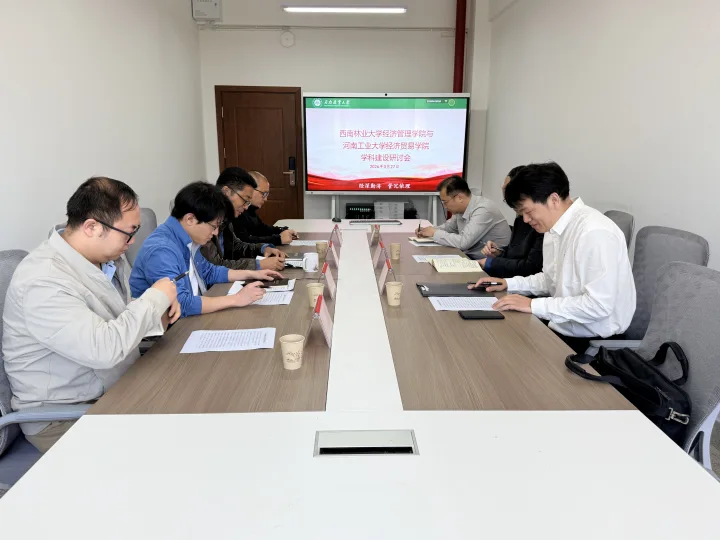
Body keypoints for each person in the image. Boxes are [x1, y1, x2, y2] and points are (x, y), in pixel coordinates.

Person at [3, 177, 180, 452]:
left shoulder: (106, 260)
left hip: (114, 389)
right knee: (171, 447)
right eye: (129, 233)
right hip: (64, 417)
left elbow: (119, 317)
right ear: (92, 227)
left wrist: (159, 313)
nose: (132, 242)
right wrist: (156, 298)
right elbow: (103, 349)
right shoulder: (42, 280)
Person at [472, 162, 636, 353]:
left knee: (504, 349)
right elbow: (551, 279)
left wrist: (533, 305)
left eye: (528, 211)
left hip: (593, 344)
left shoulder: (594, 232)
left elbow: (598, 306)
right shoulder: (553, 229)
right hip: (562, 326)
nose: (525, 220)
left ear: (554, 200)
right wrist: (509, 284)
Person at [130, 181, 283, 317]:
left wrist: (253, 273)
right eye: (214, 226)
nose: (216, 233)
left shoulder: (188, 238)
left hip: (192, 317)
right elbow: (182, 304)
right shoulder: (162, 250)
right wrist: (236, 299)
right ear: (190, 219)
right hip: (170, 331)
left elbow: (209, 272)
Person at [201, 167, 285, 272]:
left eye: (248, 202)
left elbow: (236, 247)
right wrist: (258, 265)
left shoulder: (226, 217)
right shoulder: (205, 219)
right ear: (226, 191)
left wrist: (263, 249)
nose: (246, 207)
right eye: (245, 200)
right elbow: (215, 267)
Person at [417, 175, 511, 259]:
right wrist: (427, 231)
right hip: (470, 257)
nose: (445, 207)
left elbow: (463, 242)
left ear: (459, 198)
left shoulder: (483, 209)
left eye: (445, 202)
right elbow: (449, 228)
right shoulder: (461, 210)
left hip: (490, 264)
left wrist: (435, 233)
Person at [479, 166, 544, 278]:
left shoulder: (541, 223)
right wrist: (499, 253)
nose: (526, 219)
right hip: (511, 279)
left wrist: (492, 263)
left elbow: (531, 267)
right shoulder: (520, 219)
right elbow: (514, 254)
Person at [231, 170, 298, 246]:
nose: (265, 199)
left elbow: (261, 229)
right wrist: (278, 239)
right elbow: (244, 241)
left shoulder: (250, 209)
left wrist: (281, 231)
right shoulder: (237, 211)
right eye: (263, 193)